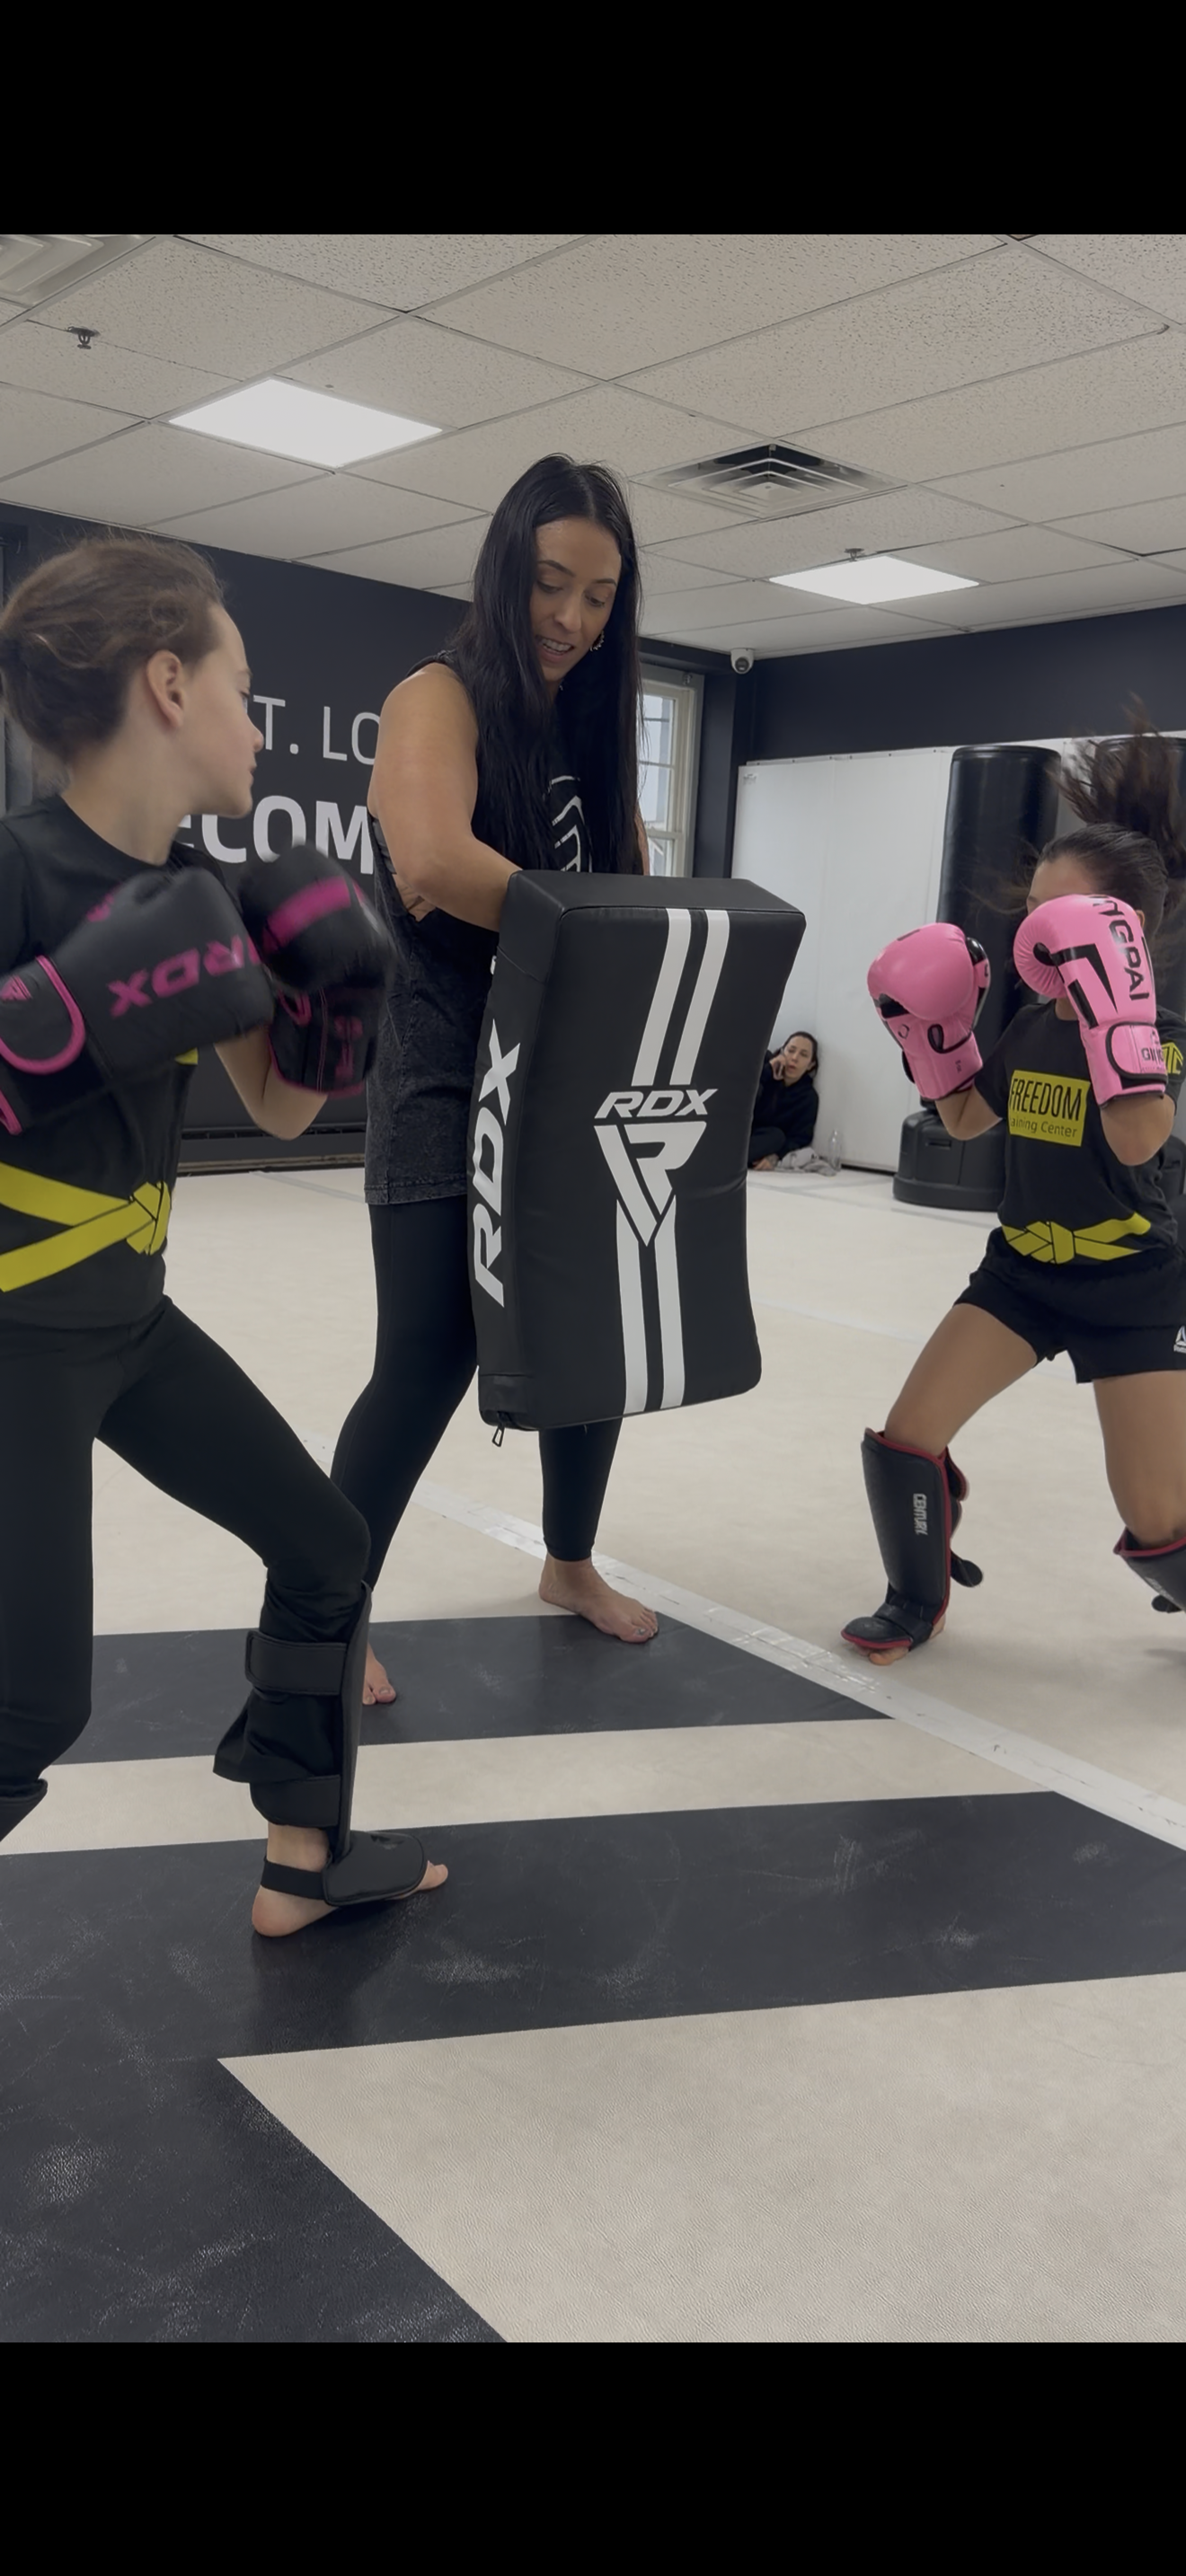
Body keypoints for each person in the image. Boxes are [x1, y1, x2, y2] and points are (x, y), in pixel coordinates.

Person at [0, 534, 447, 1934]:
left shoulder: (211, 889)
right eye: (245, 692)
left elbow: (279, 1107)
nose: (258, 730)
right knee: (28, 1708)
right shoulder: (14, 870)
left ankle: (304, 1864)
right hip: (15, 1340)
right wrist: (48, 1031)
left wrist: (332, 1007)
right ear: (169, 684)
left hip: (130, 1323)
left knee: (326, 1547)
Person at [331, 454, 659, 1708]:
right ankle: (327, 1610)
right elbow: (430, 862)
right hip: (445, 1074)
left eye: (599, 595)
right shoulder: (440, 693)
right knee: (426, 1355)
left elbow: (631, 892)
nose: (570, 617)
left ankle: (568, 1563)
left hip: (568, 1073)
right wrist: (600, 928)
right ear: (503, 567)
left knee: (587, 1336)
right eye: (549, 582)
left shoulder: (590, 726)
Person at [842, 717, 1186, 1666]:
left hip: (1135, 1283)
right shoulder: (1032, 1023)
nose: (1037, 937)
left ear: (1121, 931)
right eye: (1033, 915)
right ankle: (915, 1601)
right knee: (904, 1439)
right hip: (1022, 1271)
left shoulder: (1161, 1031)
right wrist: (932, 1036)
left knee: (1157, 1520)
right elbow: (965, 1121)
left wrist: (1115, 1021)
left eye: (1058, 919)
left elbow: (1139, 1136)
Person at [748, 1030, 819, 1169]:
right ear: (782, 1053)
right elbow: (740, 1098)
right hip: (738, 1129)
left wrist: (776, 1156)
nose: (794, 1058)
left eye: (803, 1055)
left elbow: (800, 1137)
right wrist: (768, 1071)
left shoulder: (808, 1097)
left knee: (776, 1137)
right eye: (791, 1051)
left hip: (760, 1140)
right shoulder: (763, 1069)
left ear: (810, 1065)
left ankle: (728, 1159)